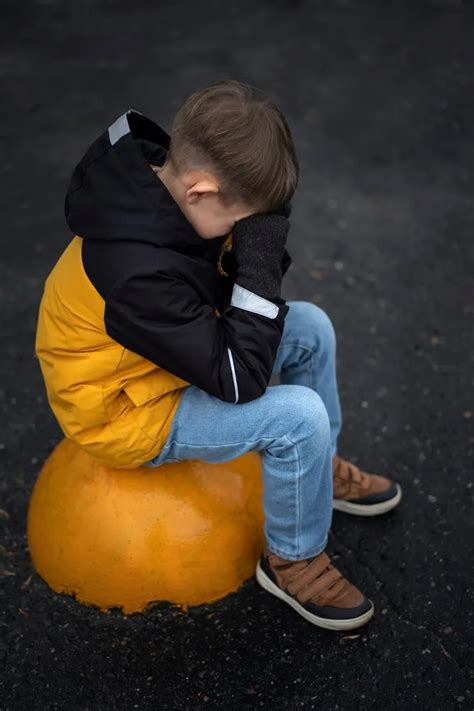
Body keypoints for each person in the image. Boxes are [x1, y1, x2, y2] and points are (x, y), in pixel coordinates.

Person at [35, 79, 402, 631]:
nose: (244, 236)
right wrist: (257, 263)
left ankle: (314, 475)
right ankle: (292, 559)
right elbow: (240, 378)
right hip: (124, 412)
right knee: (297, 418)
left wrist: (249, 240)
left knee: (312, 328)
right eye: (239, 225)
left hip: (160, 358)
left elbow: (223, 297)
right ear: (201, 190)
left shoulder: (168, 191)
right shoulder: (136, 271)